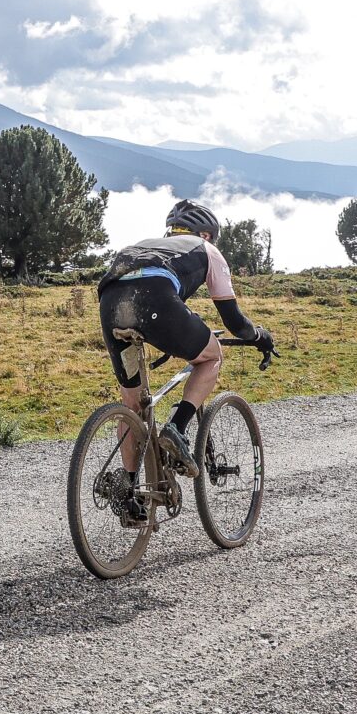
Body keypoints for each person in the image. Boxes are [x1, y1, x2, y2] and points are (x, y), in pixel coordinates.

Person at [95, 199, 275, 515]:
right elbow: (234, 321)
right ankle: (177, 428)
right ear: (206, 234)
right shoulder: (208, 250)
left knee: (132, 404)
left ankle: (129, 490)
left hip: (110, 303)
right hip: (155, 300)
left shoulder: (146, 244)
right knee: (211, 356)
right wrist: (260, 336)